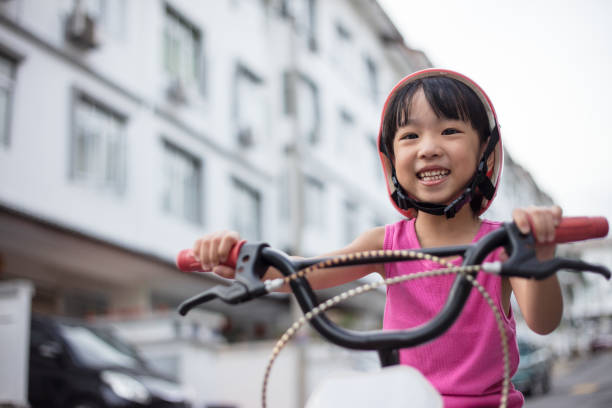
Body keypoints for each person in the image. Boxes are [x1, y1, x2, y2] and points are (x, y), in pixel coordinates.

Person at [190, 69, 563, 407]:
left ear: (486, 154)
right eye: (410, 136)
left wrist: (538, 256)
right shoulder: (385, 244)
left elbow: (544, 321)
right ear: (390, 162)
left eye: (449, 131)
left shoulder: (505, 245)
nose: (428, 147)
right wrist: (241, 259)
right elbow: (302, 275)